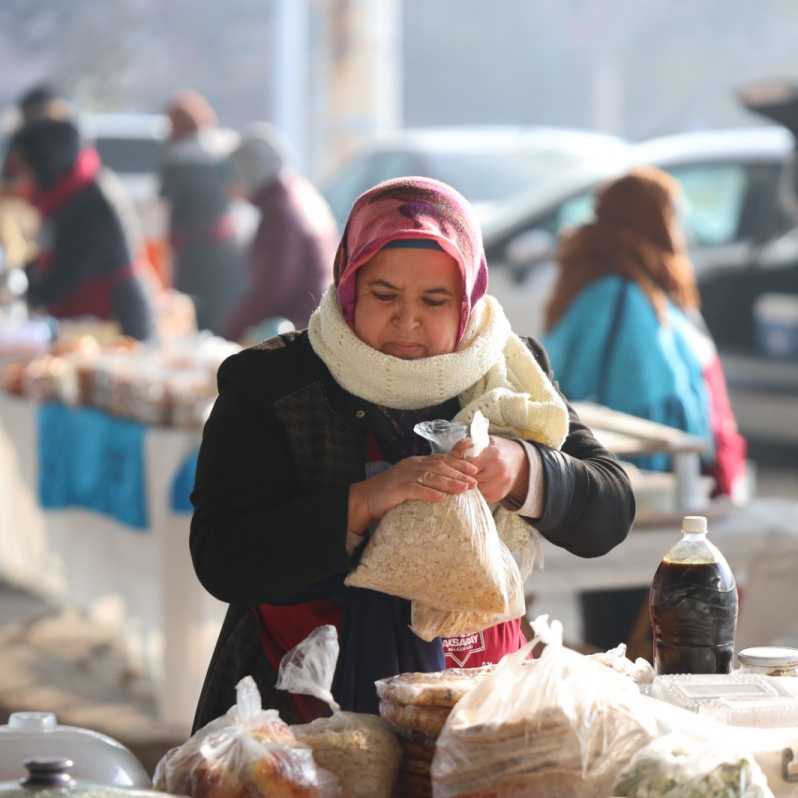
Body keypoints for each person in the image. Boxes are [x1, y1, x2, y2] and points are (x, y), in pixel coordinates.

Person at [189, 176, 635, 731]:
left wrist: (525, 468)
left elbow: (611, 509)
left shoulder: (510, 374)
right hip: (294, 708)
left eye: (435, 300)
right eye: (384, 295)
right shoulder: (272, 383)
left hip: (471, 707)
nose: (407, 321)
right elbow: (223, 558)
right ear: (348, 283)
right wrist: (365, 502)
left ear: (468, 298)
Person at [543, 166, 747, 652]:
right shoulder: (623, 294)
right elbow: (654, 399)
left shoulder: (600, 280)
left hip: (611, 487)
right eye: (674, 215)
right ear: (654, 220)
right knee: (635, 631)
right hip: (639, 491)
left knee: (615, 621)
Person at [3, 118, 155, 340]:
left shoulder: (88, 200)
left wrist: (25, 295)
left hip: (115, 316)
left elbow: (64, 272)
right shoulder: (70, 192)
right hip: (92, 312)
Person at [223, 123, 338, 339]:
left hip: (298, 328)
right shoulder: (298, 193)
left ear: (250, 172)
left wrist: (230, 334)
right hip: (316, 320)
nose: (231, 185)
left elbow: (272, 289)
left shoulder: (281, 212)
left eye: (235, 175)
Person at [160, 91, 243, 335]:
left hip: (191, 253)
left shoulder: (173, 160)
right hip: (225, 249)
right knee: (221, 316)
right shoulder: (221, 154)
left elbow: (166, 204)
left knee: (194, 317)